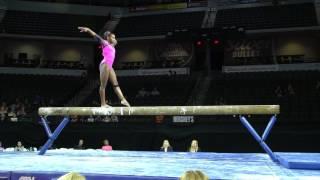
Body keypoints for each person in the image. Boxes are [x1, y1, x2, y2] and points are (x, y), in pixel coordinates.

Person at [78, 26, 130, 107]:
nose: (115, 39)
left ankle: (122, 99)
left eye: (115, 37)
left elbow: (115, 42)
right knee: (103, 85)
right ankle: (103, 104)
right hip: (105, 64)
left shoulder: (112, 45)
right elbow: (96, 36)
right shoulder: (105, 43)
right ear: (107, 38)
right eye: (113, 37)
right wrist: (88, 30)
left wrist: (112, 38)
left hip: (109, 66)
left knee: (116, 84)